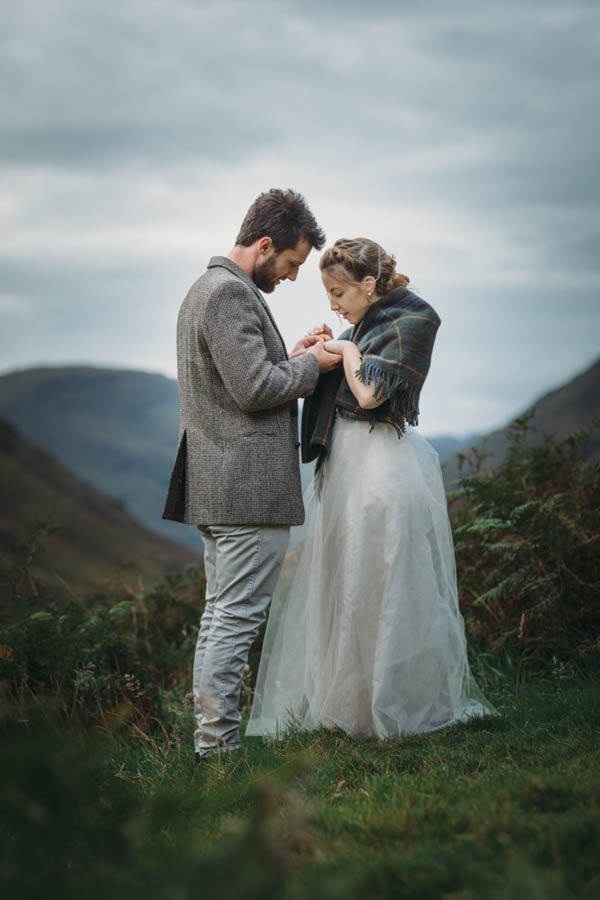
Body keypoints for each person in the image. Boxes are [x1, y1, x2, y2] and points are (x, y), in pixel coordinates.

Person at [247, 238, 495, 740]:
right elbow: (342, 378)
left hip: (381, 466)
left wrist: (344, 349)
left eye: (339, 293)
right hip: (349, 466)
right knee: (347, 579)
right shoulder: (361, 327)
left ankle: (393, 699)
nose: (333, 304)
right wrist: (319, 351)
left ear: (369, 284)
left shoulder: (411, 321)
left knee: (383, 578)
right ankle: (351, 704)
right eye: (328, 295)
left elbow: (371, 393)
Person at [162, 189, 341, 760]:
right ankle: (217, 750)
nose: (291, 277)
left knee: (222, 617)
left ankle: (213, 746)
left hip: (221, 486)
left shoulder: (207, 290)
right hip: (245, 489)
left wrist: (294, 356)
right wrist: (313, 364)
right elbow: (256, 389)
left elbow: (245, 377)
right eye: (290, 264)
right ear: (265, 245)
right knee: (234, 622)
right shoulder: (228, 295)